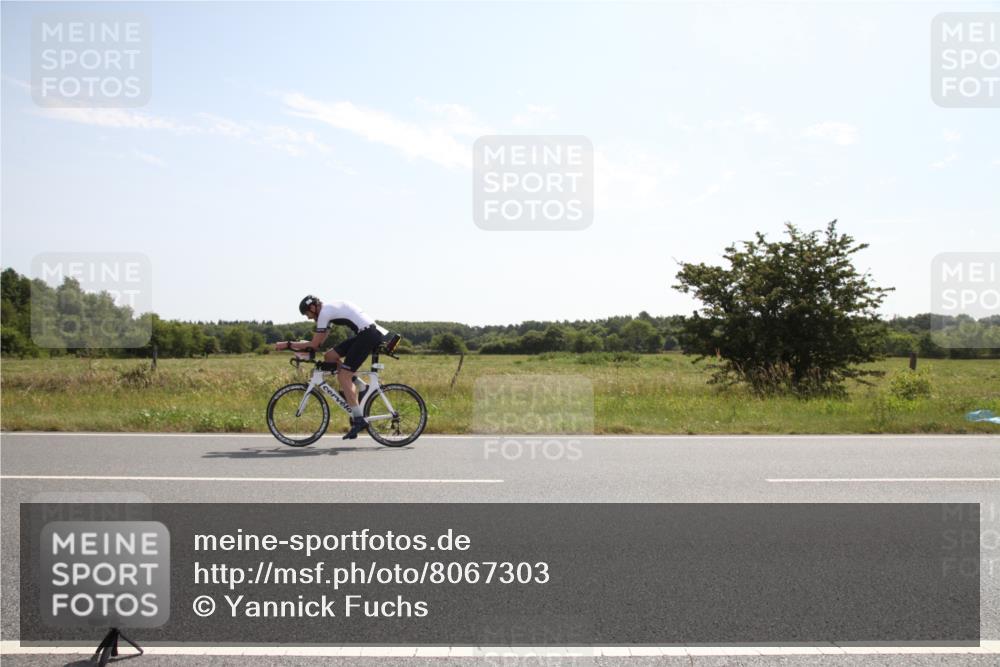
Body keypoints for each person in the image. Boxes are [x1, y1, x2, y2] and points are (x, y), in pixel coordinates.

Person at [275, 295, 388, 439]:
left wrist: (288, 344)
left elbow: (314, 344)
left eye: (307, 314)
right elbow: (319, 343)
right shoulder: (327, 313)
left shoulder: (324, 313)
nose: (308, 318)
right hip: (366, 334)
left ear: (312, 307)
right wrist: (304, 347)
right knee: (330, 356)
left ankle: (359, 420)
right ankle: (362, 386)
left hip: (368, 335)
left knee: (343, 376)